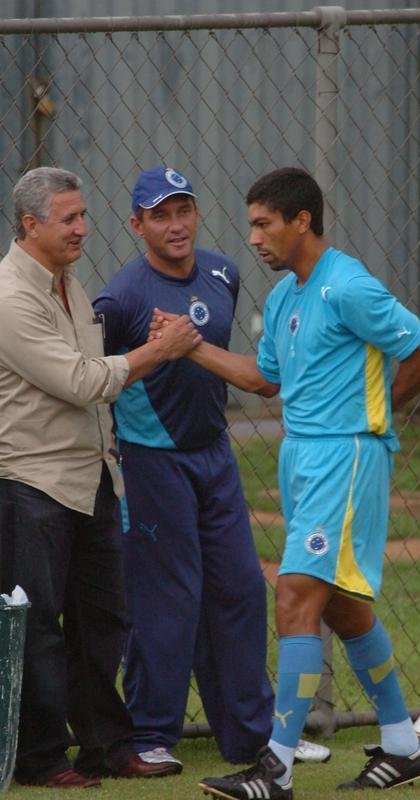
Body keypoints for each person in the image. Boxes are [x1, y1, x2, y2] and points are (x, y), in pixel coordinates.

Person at [151, 167, 420, 798]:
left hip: (346, 459)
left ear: (301, 221)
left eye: (264, 223)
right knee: (339, 603)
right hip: (302, 460)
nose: (253, 237)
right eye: (251, 224)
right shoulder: (285, 297)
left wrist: (377, 418)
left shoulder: (349, 286)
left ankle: (275, 768)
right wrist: (190, 347)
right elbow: (263, 380)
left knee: (292, 595)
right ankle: (403, 745)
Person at [93, 166, 330, 771]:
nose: (176, 226)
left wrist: (191, 346)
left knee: (242, 589)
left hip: (214, 454)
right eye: (161, 215)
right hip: (151, 462)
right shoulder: (119, 297)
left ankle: (253, 736)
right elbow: (101, 381)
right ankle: (151, 734)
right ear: (137, 224)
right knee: (168, 596)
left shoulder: (224, 271)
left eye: (185, 211)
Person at [0, 167, 202, 789]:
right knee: (37, 627)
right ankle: (39, 758)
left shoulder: (68, 283)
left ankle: (106, 747)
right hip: (30, 481)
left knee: (103, 619)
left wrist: (141, 346)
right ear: (31, 225)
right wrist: (158, 352)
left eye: (84, 215)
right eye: (70, 218)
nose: (84, 228)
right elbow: (82, 381)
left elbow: (91, 366)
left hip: (88, 477)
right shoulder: (10, 297)